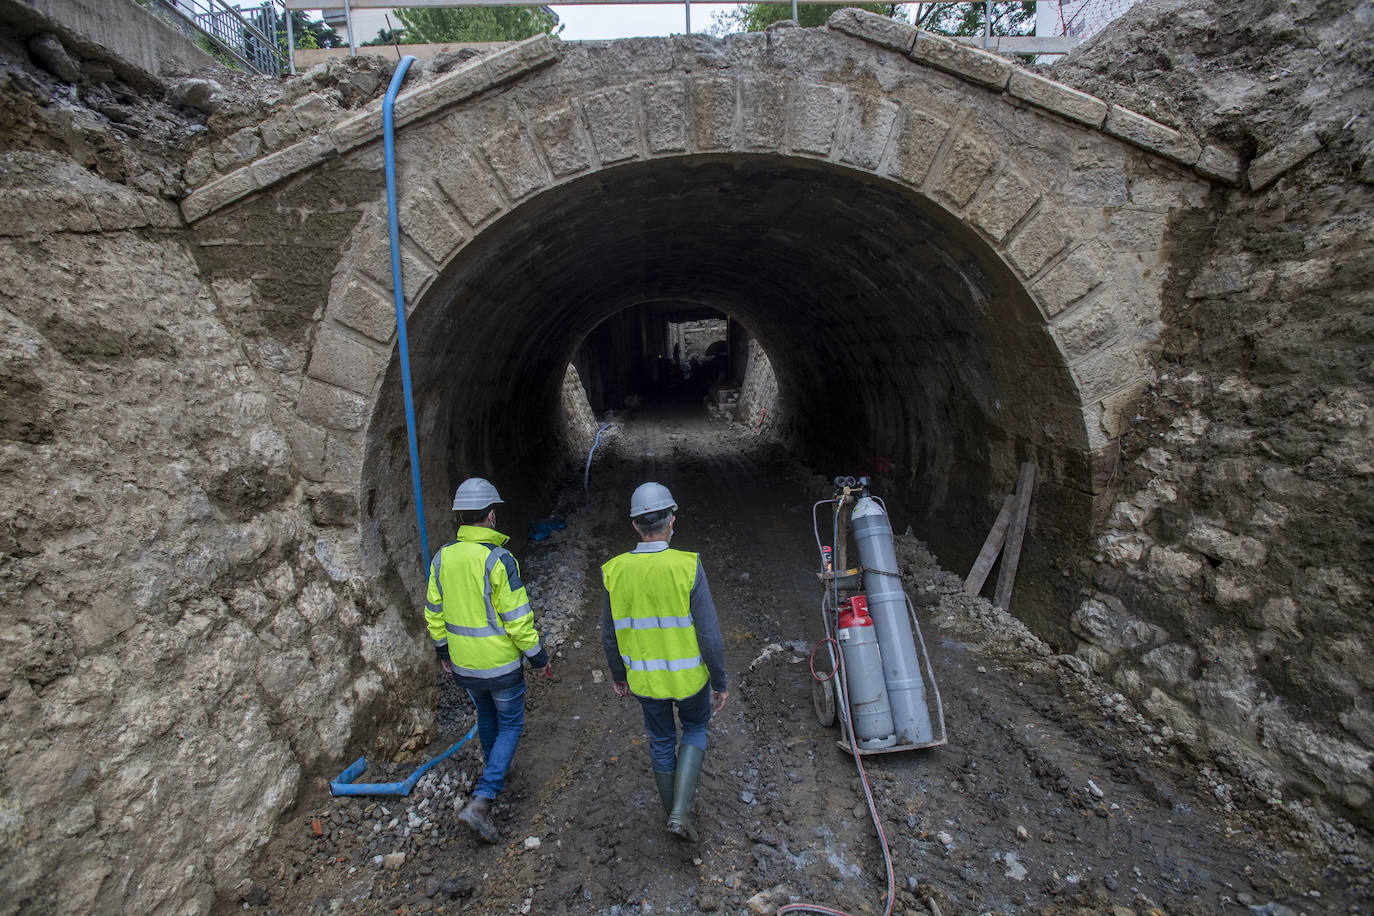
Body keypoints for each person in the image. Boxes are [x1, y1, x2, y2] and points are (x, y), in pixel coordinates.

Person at [601, 482, 728, 842]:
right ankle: (680, 812)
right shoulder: (687, 566)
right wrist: (719, 680)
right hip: (689, 679)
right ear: (672, 520)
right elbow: (709, 633)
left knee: (660, 739)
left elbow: (609, 634)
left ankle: (675, 812)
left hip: (645, 680)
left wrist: (617, 673)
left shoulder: (616, 570)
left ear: (634, 525)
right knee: (696, 729)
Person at [425, 477, 550, 843]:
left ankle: (497, 770)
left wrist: (443, 650)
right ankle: (482, 800)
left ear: (462, 517)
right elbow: (518, 618)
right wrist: (538, 655)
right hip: (501, 666)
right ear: (492, 516)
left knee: (486, 717)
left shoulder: (442, 557)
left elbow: (434, 611)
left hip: (464, 666)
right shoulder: (499, 560)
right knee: (511, 724)